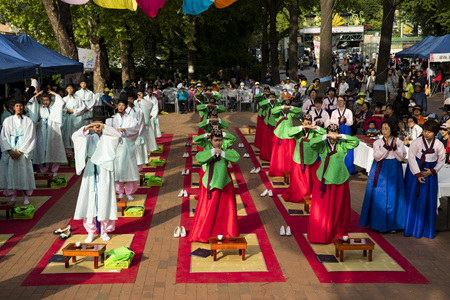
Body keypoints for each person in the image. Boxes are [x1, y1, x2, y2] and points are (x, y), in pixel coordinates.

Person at [72, 106, 122, 242]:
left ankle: (104, 230)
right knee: (89, 199)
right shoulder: (90, 138)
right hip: (91, 170)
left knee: (105, 197)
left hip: (105, 171)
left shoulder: (110, 137)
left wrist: (104, 127)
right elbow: (75, 137)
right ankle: (90, 231)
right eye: (95, 124)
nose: (97, 127)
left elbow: (118, 135)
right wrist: (85, 128)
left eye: (99, 124)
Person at [307, 124, 359, 243]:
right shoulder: (323, 146)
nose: (333, 136)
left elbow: (355, 141)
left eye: (335, 133)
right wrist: (325, 136)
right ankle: (322, 229)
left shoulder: (342, 145)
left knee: (339, 206)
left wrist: (341, 136)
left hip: (340, 178)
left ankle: (337, 230)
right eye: (331, 132)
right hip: (324, 178)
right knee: (322, 208)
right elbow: (312, 143)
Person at [188, 129, 240, 242]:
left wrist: (222, 148)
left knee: (225, 208)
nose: (218, 143)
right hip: (210, 183)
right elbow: (199, 156)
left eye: (220, 140)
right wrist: (207, 136)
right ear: (210, 141)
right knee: (208, 209)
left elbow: (236, 156)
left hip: (224, 182)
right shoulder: (207, 149)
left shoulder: (224, 149)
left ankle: (227, 230)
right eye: (215, 140)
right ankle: (205, 232)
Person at [359, 121, 407, 232]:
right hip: (381, 168)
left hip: (394, 167)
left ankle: (394, 224)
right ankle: (378, 224)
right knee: (379, 195)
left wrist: (394, 147)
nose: (384, 131)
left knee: (394, 195)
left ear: (392, 129)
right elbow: (377, 157)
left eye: (386, 128)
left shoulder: (399, 142)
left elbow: (401, 157)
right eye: (383, 128)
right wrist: (387, 146)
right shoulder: (378, 142)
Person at [404, 120, 445, 239]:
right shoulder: (416, 142)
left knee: (429, 200)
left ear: (435, 133)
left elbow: (441, 159)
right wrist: (417, 174)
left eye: (430, 132)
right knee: (414, 198)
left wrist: (432, 171)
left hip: (430, 172)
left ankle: (427, 230)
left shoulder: (438, 144)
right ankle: (412, 228)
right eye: (425, 131)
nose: (426, 133)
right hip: (416, 171)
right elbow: (411, 158)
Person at [0, 92, 36, 204]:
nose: (19, 108)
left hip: (22, 151)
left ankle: (25, 196)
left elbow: (30, 137)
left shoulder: (28, 121)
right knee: (11, 173)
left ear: (23, 107)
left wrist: (20, 151)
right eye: (16, 106)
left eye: (21, 105)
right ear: (13, 107)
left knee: (24, 173)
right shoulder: (7, 121)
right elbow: (3, 136)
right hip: (11, 150)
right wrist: (10, 151)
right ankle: (13, 195)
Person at [282, 114, 325, 203]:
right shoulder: (299, 130)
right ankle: (299, 194)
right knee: (298, 181)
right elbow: (289, 132)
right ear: (302, 122)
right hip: (299, 159)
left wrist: (315, 127)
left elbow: (324, 133)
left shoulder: (313, 132)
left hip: (311, 159)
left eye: (309, 122)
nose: (307, 124)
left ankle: (310, 194)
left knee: (311, 179)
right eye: (305, 122)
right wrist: (301, 127)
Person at [106, 95, 139, 201]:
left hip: (127, 145)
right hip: (116, 146)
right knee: (117, 169)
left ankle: (129, 192)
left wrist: (125, 130)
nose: (120, 107)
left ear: (125, 107)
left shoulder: (131, 118)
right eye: (119, 105)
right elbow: (107, 130)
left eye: (123, 105)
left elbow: (135, 128)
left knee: (129, 169)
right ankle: (119, 191)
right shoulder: (111, 119)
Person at [27, 90, 67, 177]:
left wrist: (54, 93)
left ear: (51, 100)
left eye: (47, 100)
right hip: (42, 130)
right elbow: (29, 105)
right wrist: (37, 95)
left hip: (53, 130)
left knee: (54, 149)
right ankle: (43, 169)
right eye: (43, 100)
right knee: (42, 150)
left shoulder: (55, 106)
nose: (45, 102)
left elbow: (62, 103)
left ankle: (54, 170)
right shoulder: (39, 107)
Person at [268, 100, 301, 176]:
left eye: (287, 105)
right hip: (279, 135)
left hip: (288, 135)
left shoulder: (290, 113)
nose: (286, 107)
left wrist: (291, 107)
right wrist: (282, 107)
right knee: (278, 154)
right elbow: (273, 110)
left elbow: (299, 111)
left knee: (289, 154)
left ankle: (288, 170)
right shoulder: (278, 113)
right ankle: (277, 171)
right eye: (285, 105)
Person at [330, 97, 355, 174]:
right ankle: (336, 167)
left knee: (347, 148)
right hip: (337, 130)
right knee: (337, 148)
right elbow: (331, 122)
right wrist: (339, 121)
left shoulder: (348, 111)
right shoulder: (334, 112)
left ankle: (348, 168)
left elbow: (351, 122)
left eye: (341, 101)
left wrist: (344, 120)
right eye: (338, 101)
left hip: (346, 130)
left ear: (344, 102)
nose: (339, 102)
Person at [126, 92, 150, 171]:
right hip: (128, 135)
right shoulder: (125, 111)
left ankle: (139, 168)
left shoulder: (138, 110)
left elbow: (141, 123)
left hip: (137, 134)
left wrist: (137, 133)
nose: (130, 101)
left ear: (133, 100)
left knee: (138, 152)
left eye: (131, 99)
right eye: (128, 99)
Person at [61, 84, 85, 159]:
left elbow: (82, 108)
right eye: (68, 88)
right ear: (66, 90)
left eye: (71, 88)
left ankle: (76, 154)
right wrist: (66, 110)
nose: (70, 90)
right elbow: (61, 108)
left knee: (75, 134)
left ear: (73, 89)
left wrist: (74, 111)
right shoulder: (64, 99)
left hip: (75, 118)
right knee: (66, 135)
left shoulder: (78, 99)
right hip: (67, 118)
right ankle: (68, 154)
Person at [259, 92, 281, 161]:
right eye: (270, 97)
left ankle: (274, 156)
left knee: (274, 142)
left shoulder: (277, 104)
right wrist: (269, 100)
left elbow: (283, 101)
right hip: (268, 125)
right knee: (267, 141)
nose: (272, 98)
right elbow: (260, 104)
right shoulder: (266, 105)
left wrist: (276, 100)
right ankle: (266, 156)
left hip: (276, 125)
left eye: (273, 97)